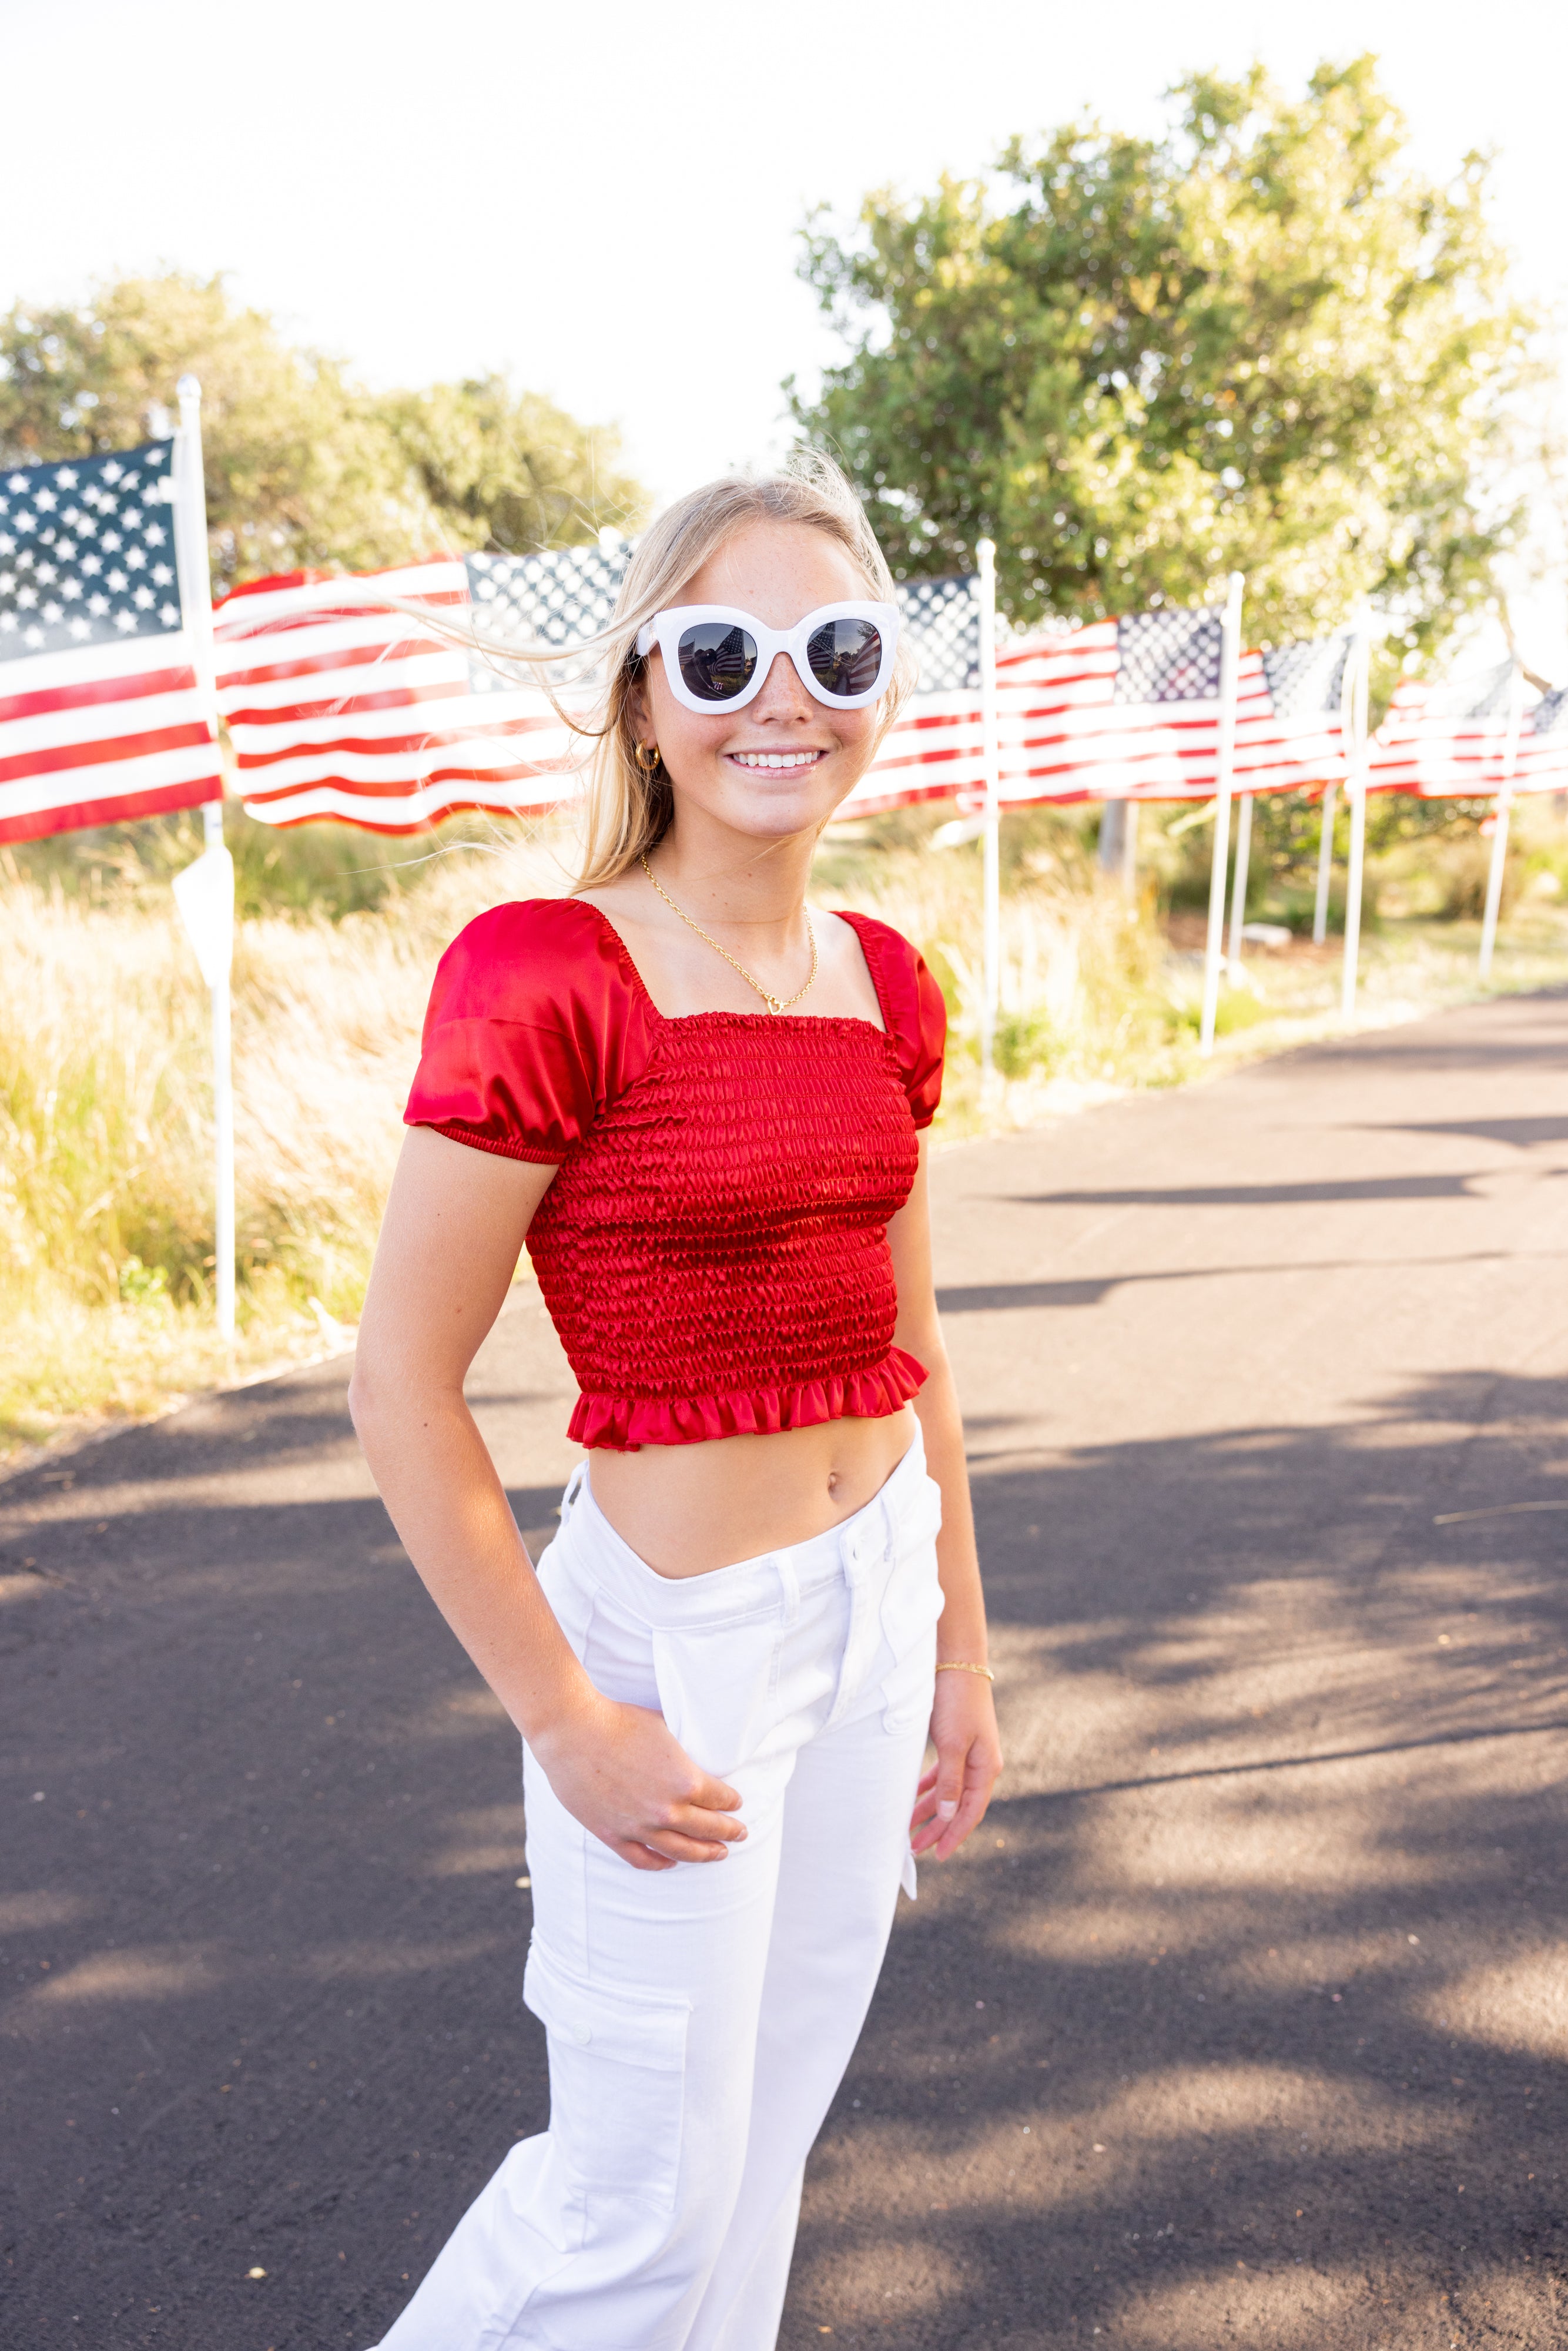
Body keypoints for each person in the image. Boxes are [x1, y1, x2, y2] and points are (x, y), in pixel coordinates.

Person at [350, 453, 1003, 2350]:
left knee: (762, 2149)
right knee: (633, 2208)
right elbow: (400, 1384)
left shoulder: (887, 982)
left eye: (834, 648)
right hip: (676, 1656)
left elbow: (911, 1341)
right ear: (643, 693)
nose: (779, 698)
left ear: (883, 681)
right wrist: (565, 1719)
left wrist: (961, 1649)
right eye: (719, 653)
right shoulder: (541, 975)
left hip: (876, 1603)